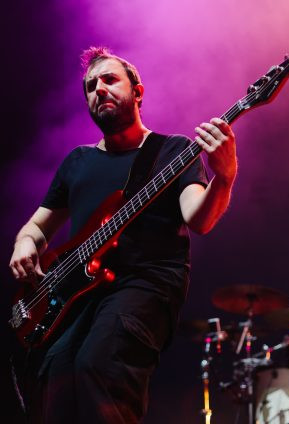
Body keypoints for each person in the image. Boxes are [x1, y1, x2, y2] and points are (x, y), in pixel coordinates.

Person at [9, 46, 238, 423]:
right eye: (89, 86)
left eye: (110, 79)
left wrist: (224, 178)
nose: (98, 89)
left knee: (98, 365)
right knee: (53, 377)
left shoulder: (174, 150)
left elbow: (199, 218)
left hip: (145, 283)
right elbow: (37, 226)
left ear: (138, 92)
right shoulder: (78, 161)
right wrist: (24, 244)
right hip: (80, 294)